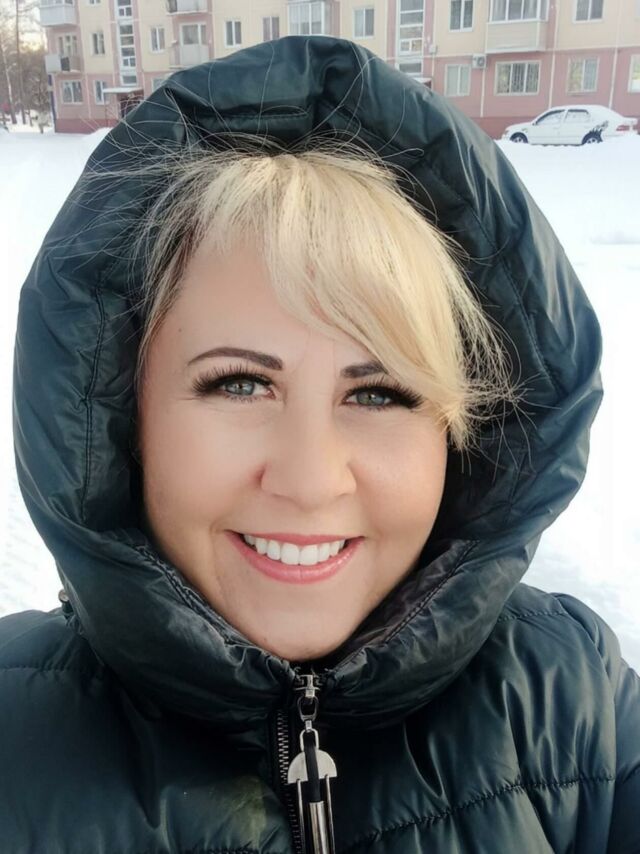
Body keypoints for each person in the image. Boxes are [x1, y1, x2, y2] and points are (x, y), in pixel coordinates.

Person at [2, 36, 638, 853]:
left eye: (379, 393)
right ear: (128, 420)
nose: (308, 480)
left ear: (461, 433)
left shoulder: (575, 705)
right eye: (239, 384)